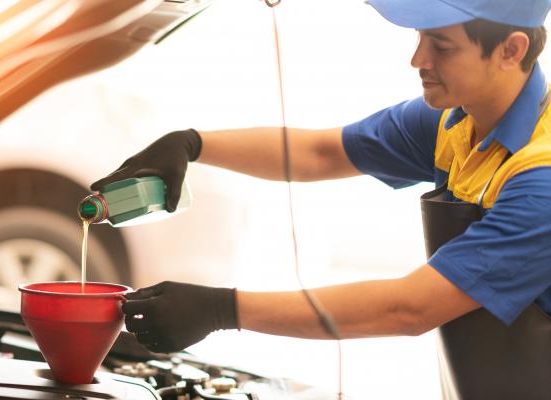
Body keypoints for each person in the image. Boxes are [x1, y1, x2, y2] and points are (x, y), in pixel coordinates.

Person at [90, 0, 551, 398]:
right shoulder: (458, 121)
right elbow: (321, 152)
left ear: (511, 50)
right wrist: (190, 145)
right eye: (419, 37)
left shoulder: (541, 179)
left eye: (441, 46)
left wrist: (222, 309)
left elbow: (410, 307)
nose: (417, 59)